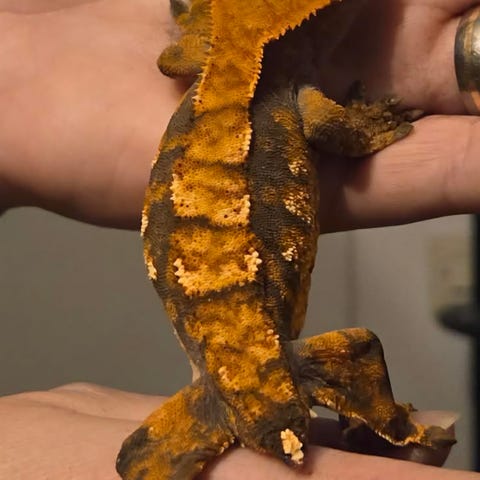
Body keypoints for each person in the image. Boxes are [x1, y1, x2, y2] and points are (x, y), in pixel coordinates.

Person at [1, 0, 480, 478]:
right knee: (358, 352)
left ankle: (384, 427)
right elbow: (348, 136)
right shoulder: (301, 99)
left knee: (356, 351)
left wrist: (192, 21)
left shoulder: (203, 58)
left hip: (223, 310)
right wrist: (369, 121)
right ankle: (390, 427)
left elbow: (172, 59)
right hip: (240, 333)